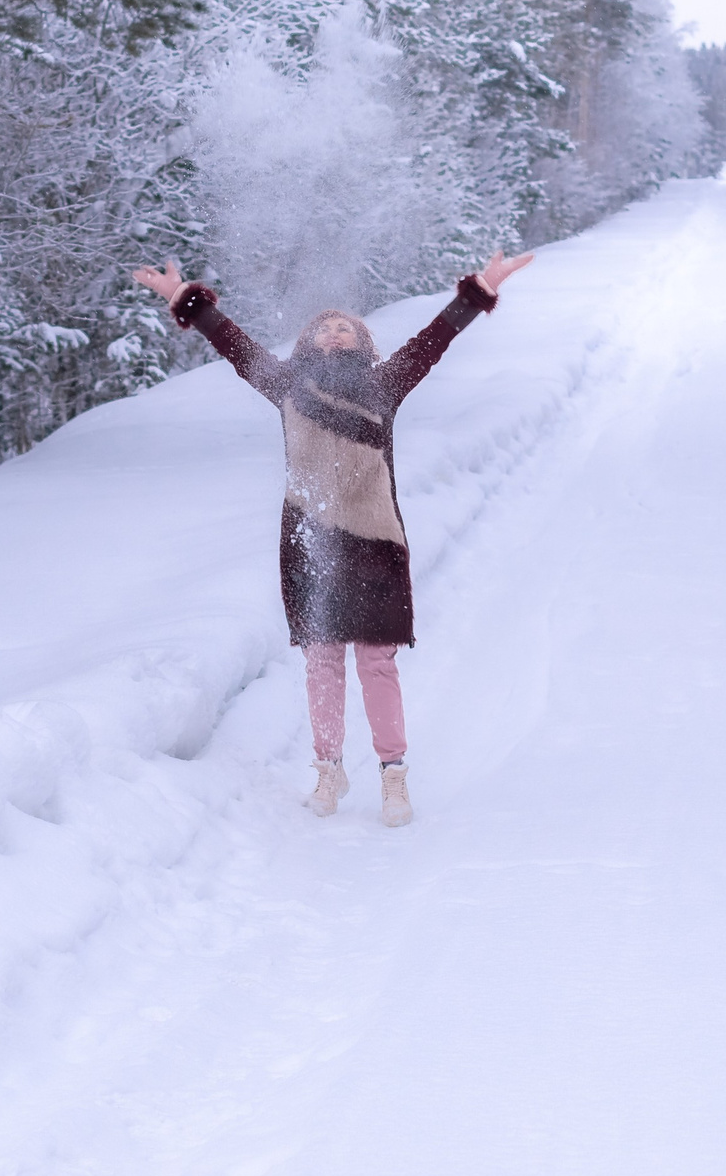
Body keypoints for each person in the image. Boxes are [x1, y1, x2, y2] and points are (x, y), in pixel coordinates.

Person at [132, 250, 533, 825]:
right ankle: (329, 772)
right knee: (321, 662)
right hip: (310, 542)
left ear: (364, 341)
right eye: (323, 325)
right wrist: (186, 300)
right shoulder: (287, 386)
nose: (335, 326)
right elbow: (236, 347)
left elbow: (434, 339)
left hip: (374, 541)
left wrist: (479, 290)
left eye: (346, 323)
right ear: (308, 343)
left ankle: (393, 777)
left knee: (377, 663)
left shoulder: (385, 385)